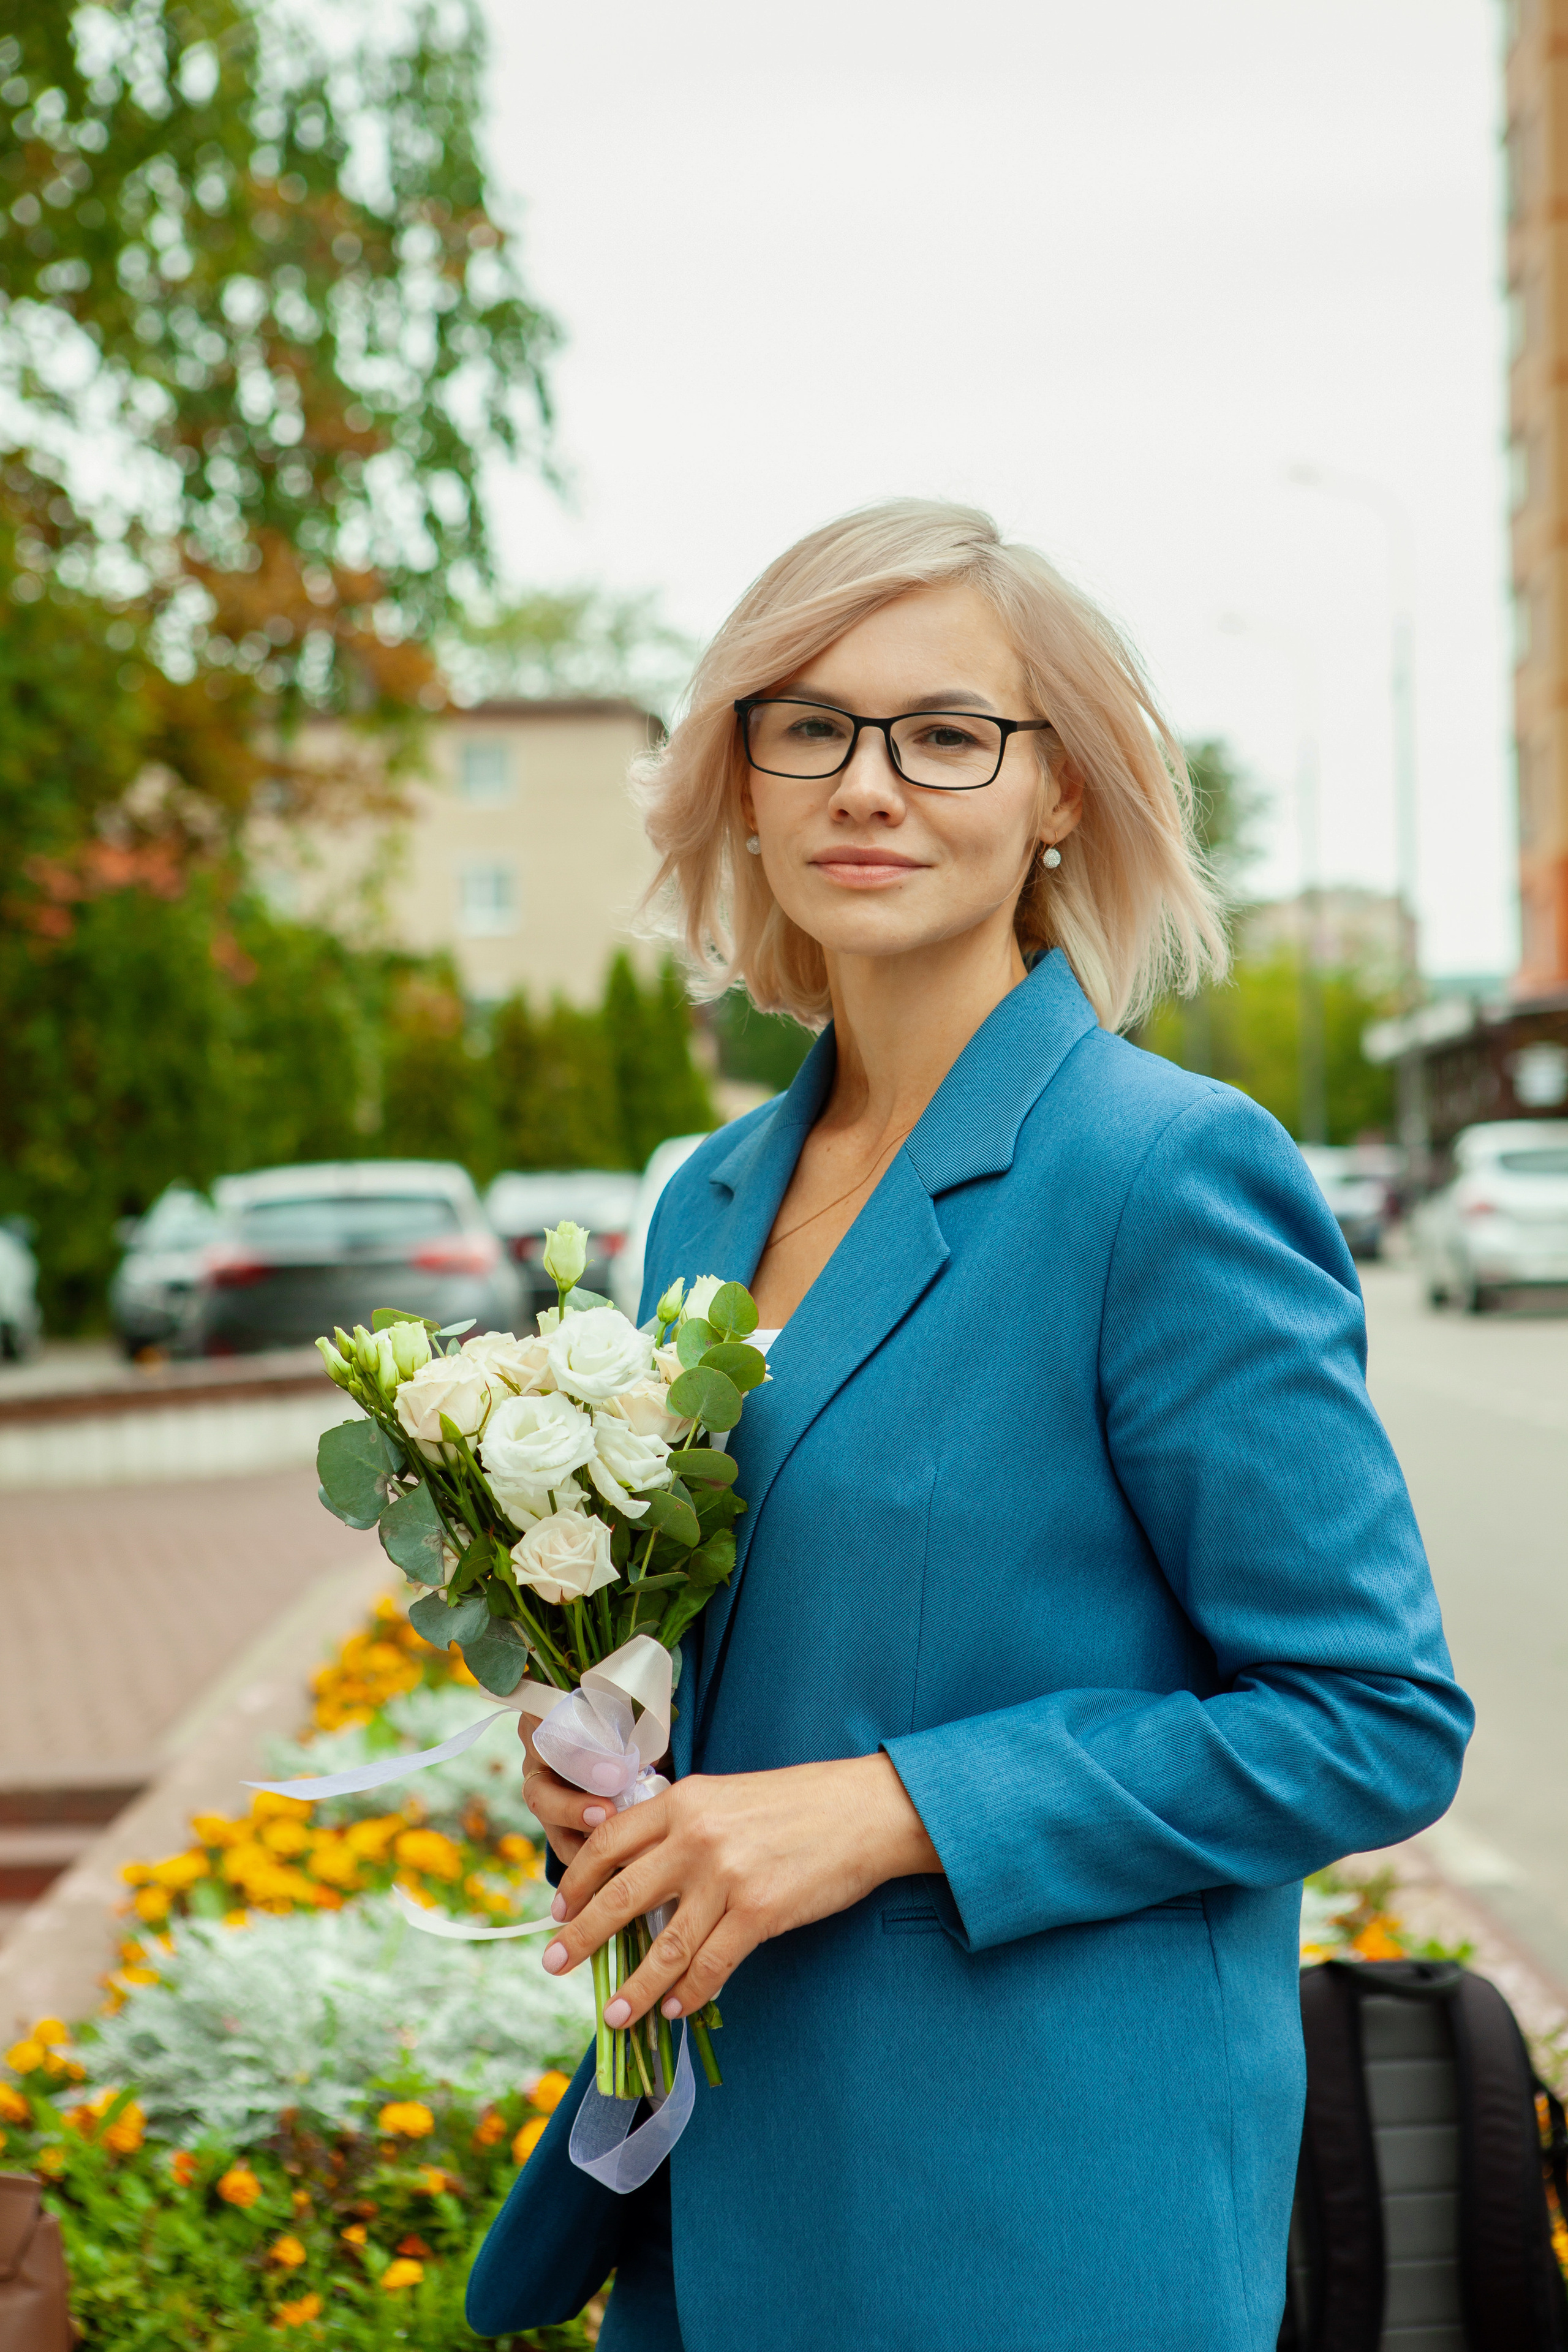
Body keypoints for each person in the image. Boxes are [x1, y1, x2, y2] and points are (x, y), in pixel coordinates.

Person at [467, 500, 1471, 2352]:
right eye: (812, 729)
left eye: (947, 733)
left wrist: (885, 1811)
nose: (871, 785)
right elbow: (742, 1654)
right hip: (707, 2206)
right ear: (744, 786)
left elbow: (1373, 1723)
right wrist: (601, 1764)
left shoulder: (1162, 1174)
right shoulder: (701, 1202)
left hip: (1035, 2222)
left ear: (1060, 793)